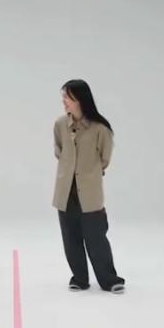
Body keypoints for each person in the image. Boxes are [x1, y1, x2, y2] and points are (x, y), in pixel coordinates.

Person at [52, 79, 125, 294]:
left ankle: (109, 280)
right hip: (65, 192)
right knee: (70, 238)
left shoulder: (100, 129)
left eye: (68, 97)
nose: (64, 101)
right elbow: (59, 151)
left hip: (90, 194)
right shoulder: (59, 125)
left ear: (80, 99)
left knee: (96, 238)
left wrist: (87, 173)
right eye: (63, 97)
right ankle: (79, 279)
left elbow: (104, 159)